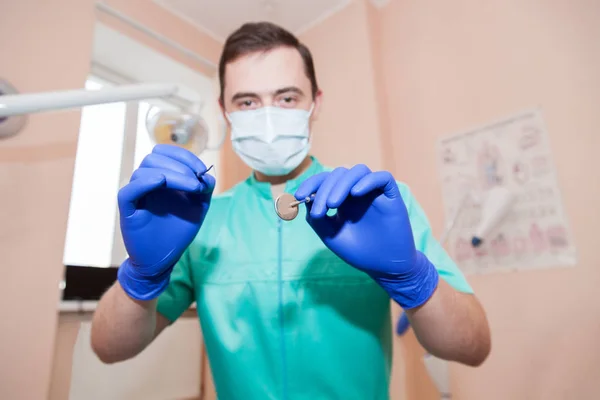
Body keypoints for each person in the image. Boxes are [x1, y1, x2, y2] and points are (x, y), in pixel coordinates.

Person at [91, 21, 491, 400]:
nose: (267, 116)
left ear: (315, 103)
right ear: (225, 111)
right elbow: (108, 348)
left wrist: (412, 278)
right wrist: (140, 276)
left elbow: (473, 347)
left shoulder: (374, 205)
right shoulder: (198, 221)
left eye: (286, 98)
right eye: (247, 101)